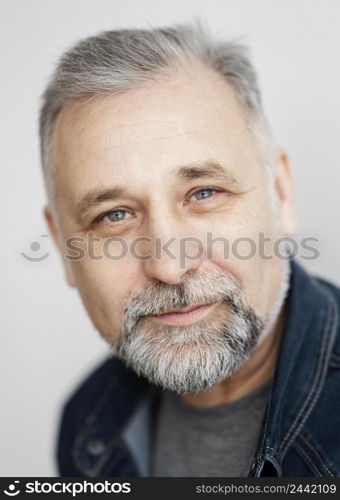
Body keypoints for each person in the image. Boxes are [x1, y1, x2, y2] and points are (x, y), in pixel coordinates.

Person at [39, 22, 340, 477]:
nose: (169, 265)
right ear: (63, 247)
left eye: (203, 193)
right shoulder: (87, 423)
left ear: (280, 192)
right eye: (114, 215)